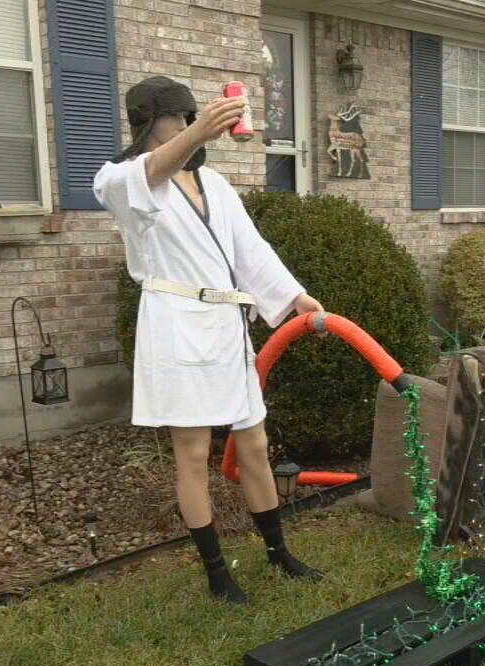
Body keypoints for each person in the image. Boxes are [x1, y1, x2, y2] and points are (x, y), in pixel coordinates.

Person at [93, 76, 323, 604]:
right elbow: (148, 173)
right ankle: (218, 574)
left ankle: (278, 552)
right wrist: (197, 133)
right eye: (183, 118)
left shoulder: (215, 186)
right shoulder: (121, 179)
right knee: (193, 455)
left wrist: (294, 297)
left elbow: (251, 249)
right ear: (155, 121)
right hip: (175, 326)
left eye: (196, 118)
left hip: (226, 328)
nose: (194, 128)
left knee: (256, 445)